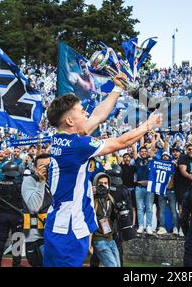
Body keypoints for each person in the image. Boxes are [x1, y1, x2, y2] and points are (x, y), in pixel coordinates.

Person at [43, 93, 162, 267]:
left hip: (55, 224)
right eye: (82, 112)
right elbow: (120, 142)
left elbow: (98, 117)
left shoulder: (58, 140)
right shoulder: (78, 145)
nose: (86, 115)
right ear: (70, 121)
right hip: (70, 229)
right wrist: (148, 125)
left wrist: (117, 88)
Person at [21, 153, 52, 267]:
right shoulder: (30, 181)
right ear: (34, 168)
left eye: (48, 166)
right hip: (37, 236)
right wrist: (41, 181)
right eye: (41, 166)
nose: (45, 169)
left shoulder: (55, 181)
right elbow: (34, 206)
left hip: (53, 235)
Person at [0, 161, 24, 267]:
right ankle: (16, 264)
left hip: (3, 215)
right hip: (16, 216)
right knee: (17, 240)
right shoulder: (19, 185)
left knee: (0, 241)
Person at [90, 172, 121, 267]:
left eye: (105, 183)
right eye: (100, 183)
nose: (103, 185)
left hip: (110, 238)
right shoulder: (91, 200)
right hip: (98, 239)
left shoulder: (110, 199)